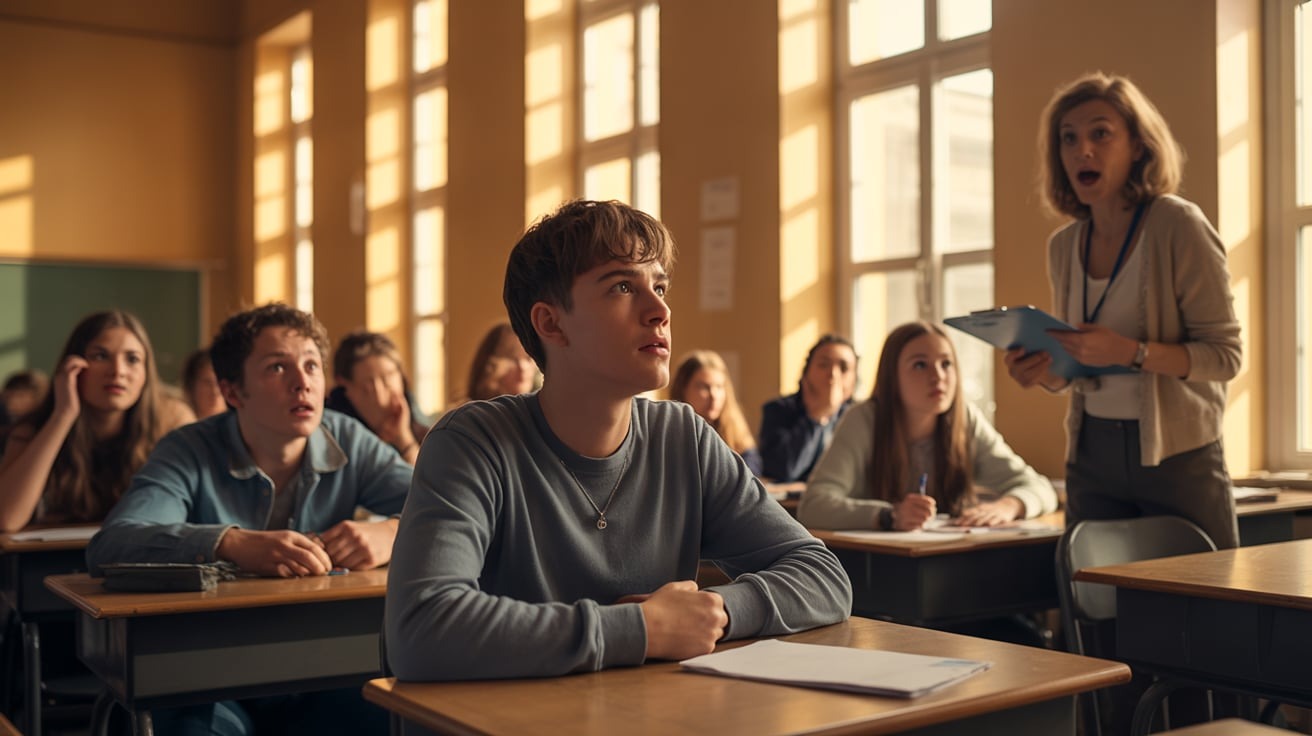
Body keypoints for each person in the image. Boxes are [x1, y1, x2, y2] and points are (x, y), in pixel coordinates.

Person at [386, 199, 851, 682]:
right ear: (550, 323)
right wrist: (641, 630)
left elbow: (823, 576)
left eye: (661, 286)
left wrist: (716, 610)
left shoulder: (683, 437)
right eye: (623, 287)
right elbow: (421, 629)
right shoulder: (473, 442)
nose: (660, 310)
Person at [1008, 74, 1243, 731]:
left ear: (1138, 146)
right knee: (1106, 642)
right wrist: (1048, 371)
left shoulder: (1177, 224)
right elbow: (1087, 365)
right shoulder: (1065, 245)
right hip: (1093, 459)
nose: (1082, 150)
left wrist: (1133, 351)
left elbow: (1224, 357)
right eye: (1069, 139)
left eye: (1100, 135)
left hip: (1180, 456)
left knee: (1199, 634)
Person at [87, 303, 410, 736]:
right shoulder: (188, 450)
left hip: (321, 666)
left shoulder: (347, 437)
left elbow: (452, 507)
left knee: (396, 718)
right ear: (233, 391)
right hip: (207, 674)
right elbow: (114, 543)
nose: (303, 383)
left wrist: (392, 530)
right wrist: (231, 543)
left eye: (312, 365)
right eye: (278, 368)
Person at [799, 321, 1056, 531]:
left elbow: (1040, 488)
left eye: (946, 364)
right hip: (876, 567)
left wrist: (1010, 505)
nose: (938, 377)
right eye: (920, 365)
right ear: (892, 377)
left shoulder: (964, 419)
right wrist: (889, 515)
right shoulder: (864, 419)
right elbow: (812, 506)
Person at [0, 311, 194, 532]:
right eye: (101, 356)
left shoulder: (172, 421)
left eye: (132, 359)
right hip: (52, 561)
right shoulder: (36, 428)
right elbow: (7, 518)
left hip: (139, 557)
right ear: (73, 366)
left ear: (146, 373)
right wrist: (63, 415)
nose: (118, 371)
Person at [757, 334, 857, 482]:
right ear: (806, 371)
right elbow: (782, 471)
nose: (833, 374)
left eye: (843, 368)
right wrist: (816, 415)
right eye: (824, 365)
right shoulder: (778, 410)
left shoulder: (860, 415)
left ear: (854, 378)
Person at [326, 331, 430, 465]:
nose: (380, 398)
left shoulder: (425, 430)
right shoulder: (334, 437)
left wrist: (404, 440)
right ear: (343, 386)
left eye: (388, 380)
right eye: (367, 388)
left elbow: (428, 483)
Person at [669, 350, 763, 476]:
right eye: (704, 387)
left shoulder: (734, 429)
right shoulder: (669, 430)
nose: (714, 396)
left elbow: (752, 471)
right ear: (682, 389)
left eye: (719, 387)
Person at [463, 322, 539, 402]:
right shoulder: (470, 412)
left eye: (528, 358)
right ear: (489, 365)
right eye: (513, 358)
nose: (523, 367)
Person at [181, 348, 227, 420]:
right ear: (191, 385)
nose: (215, 391)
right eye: (208, 383)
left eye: (220, 384)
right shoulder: (179, 421)